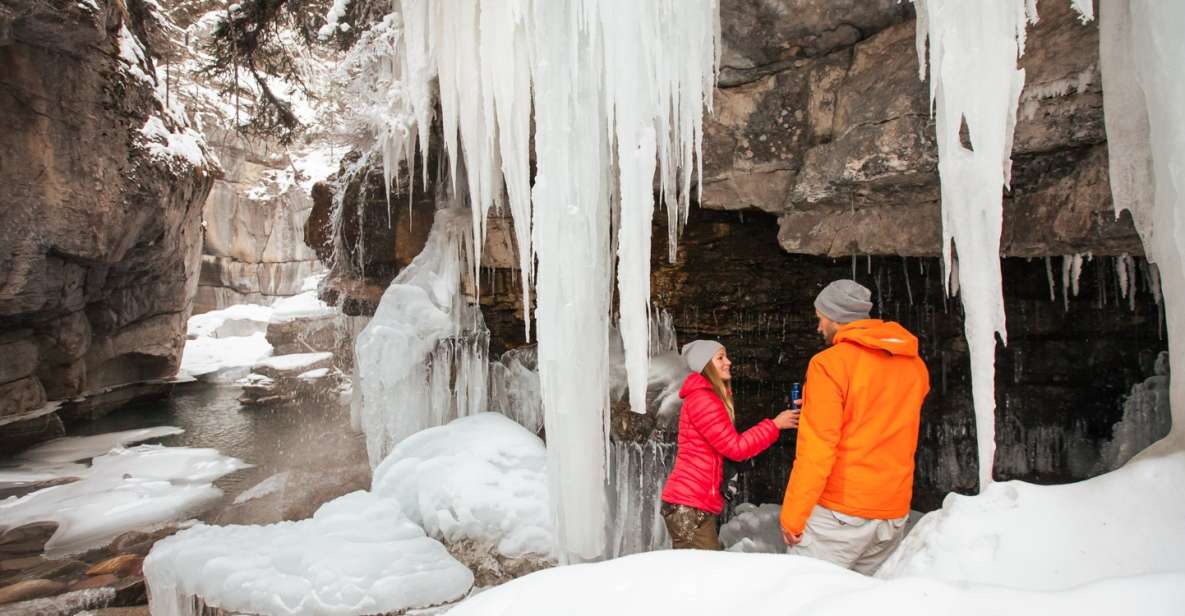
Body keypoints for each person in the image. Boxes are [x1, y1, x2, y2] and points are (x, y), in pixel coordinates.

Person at [780, 279, 930, 574]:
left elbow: (818, 449)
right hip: (891, 513)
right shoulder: (915, 366)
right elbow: (882, 420)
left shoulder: (829, 364)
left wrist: (793, 516)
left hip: (840, 514)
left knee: (806, 597)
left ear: (836, 317)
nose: (818, 327)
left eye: (820, 318)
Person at [661, 340, 800, 550]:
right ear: (706, 365)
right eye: (720, 358)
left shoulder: (706, 397)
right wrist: (774, 425)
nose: (728, 362)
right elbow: (735, 448)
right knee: (704, 574)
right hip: (688, 506)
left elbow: (723, 447)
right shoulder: (703, 399)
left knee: (698, 573)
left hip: (692, 505)